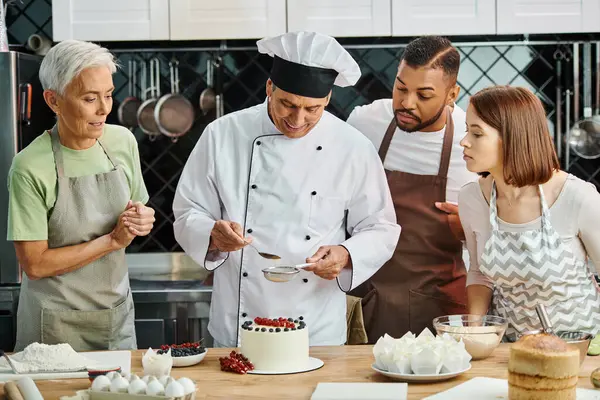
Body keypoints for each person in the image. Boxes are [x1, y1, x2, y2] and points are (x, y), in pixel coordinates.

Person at [173, 31, 400, 347]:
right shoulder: (222, 135)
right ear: (269, 88)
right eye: (288, 104)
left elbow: (381, 227)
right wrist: (212, 233)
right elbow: (188, 211)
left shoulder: (352, 147)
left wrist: (346, 253)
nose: (298, 119)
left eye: (312, 109)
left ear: (328, 100)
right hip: (239, 325)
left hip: (316, 327)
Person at [7, 40, 155, 351]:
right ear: (54, 101)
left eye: (108, 95)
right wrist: (112, 241)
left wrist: (142, 219)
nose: (104, 109)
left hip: (115, 317)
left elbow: (138, 209)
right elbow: (34, 265)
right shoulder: (30, 166)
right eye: (89, 98)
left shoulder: (122, 142)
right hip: (53, 327)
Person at [346, 36, 478, 342]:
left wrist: (470, 228)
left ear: (451, 94)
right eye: (401, 88)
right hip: (368, 300)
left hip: (439, 309)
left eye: (424, 94)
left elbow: (501, 231)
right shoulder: (365, 123)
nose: (406, 103)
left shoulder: (471, 142)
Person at [459, 85, 600, 340]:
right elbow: (480, 273)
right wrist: (475, 331)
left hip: (581, 348)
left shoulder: (577, 197)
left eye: (477, 134)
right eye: (466, 130)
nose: (464, 141)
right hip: (511, 348)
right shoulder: (472, 199)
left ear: (513, 137)